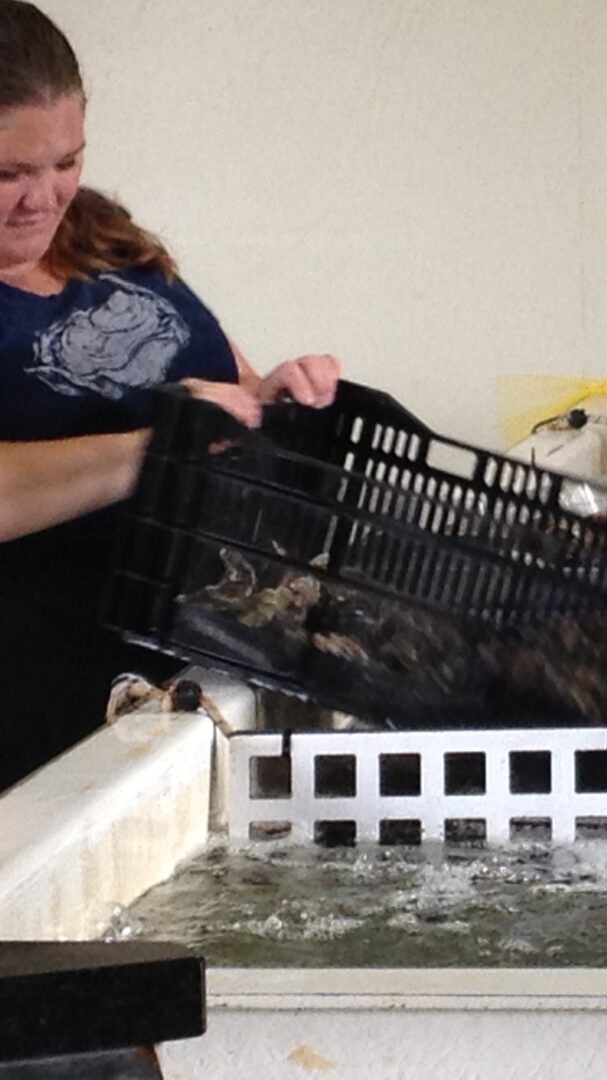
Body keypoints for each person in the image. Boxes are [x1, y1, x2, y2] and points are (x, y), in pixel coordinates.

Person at [0, 1, 341, 791]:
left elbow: (230, 389)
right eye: (8, 173)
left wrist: (274, 397)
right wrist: (151, 452)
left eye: (66, 162)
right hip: (56, 704)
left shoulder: (100, 234)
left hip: (204, 672)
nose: (43, 199)